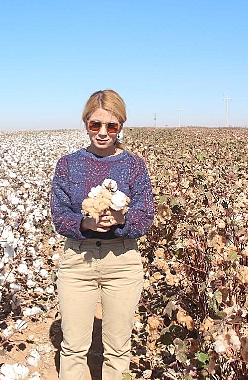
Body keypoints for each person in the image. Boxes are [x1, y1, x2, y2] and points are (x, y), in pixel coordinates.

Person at [50, 89, 154, 379]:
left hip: (122, 261)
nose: (103, 132)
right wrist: (85, 224)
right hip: (78, 261)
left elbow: (145, 217)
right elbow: (59, 216)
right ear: (86, 123)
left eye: (112, 125)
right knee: (72, 347)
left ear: (121, 125)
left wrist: (122, 218)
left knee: (118, 348)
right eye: (96, 124)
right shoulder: (68, 164)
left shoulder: (134, 165)